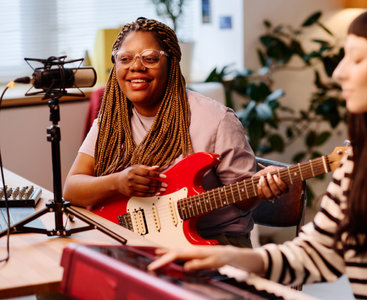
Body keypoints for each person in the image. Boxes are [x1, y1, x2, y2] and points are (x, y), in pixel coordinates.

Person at [148, 4, 367, 299]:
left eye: (356, 60)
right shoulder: (358, 165)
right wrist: (233, 258)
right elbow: (317, 253)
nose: (339, 73)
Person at [63, 17, 260, 248]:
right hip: (139, 242)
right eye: (125, 58)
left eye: (150, 58)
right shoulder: (112, 120)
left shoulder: (216, 120)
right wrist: (117, 182)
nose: (136, 66)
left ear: (171, 64)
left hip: (215, 244)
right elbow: (72, 188)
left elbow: (245, 200)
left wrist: (261, 187)